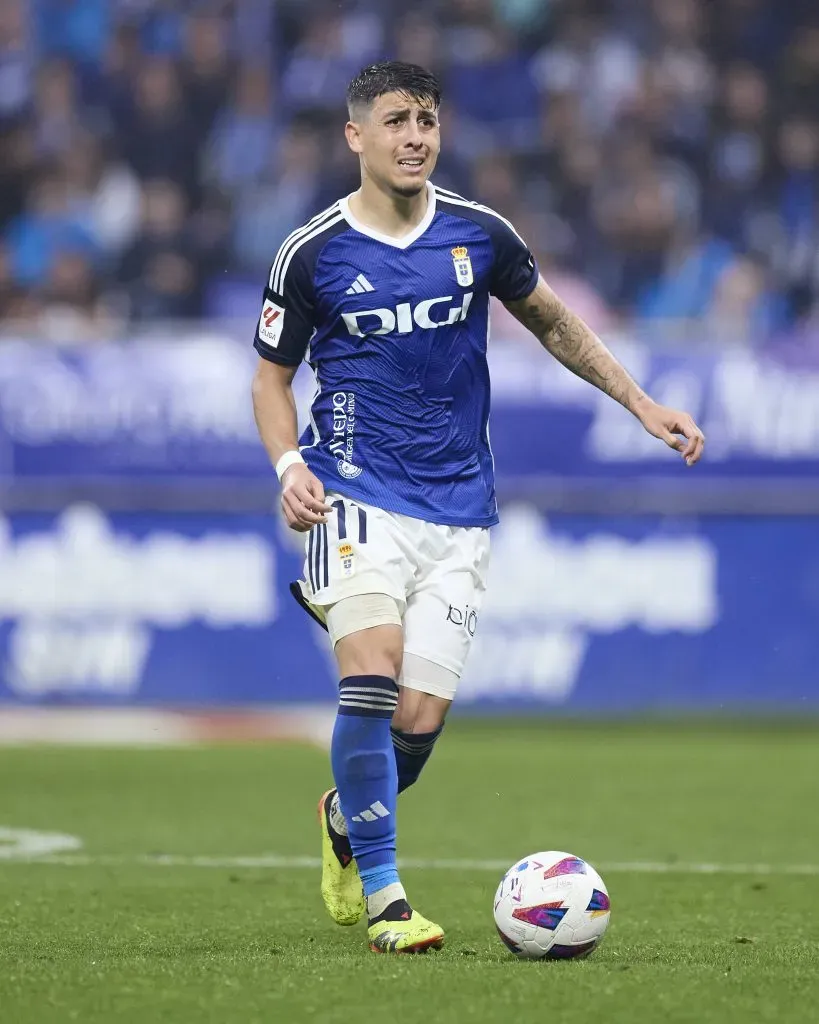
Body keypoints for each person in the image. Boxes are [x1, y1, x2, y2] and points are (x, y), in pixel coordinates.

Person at [250, 61, 705, 955]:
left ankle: (344, 817)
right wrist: (287, 464)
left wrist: (640, 403)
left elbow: (554, 322)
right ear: (355, 136)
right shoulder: (312, 251)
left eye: (426, 120)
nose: (414, 136)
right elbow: (270, 377)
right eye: (395, 120)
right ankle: (386, 899)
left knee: (417, 724)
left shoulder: (479, 232)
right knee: (371, 676)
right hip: (352, 491)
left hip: (458, 506)